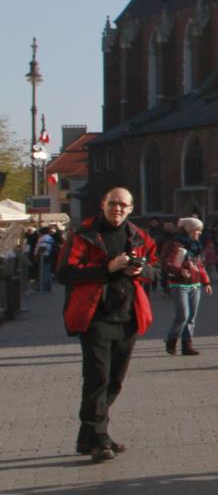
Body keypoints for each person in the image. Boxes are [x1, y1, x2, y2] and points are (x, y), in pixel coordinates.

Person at [57, 187, 158, 462]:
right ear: (103, 205)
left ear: (131, 208)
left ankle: (91, 435)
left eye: (123, 205)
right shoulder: (84, 235)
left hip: (128, 317)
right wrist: (107, 269)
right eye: (113, 203)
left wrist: (141, 270)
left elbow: (155, 269)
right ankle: (98, 438)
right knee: (97, 379)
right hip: (95, 316)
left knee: (114, 380)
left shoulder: (138, 236)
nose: (118, 209)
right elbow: (64, 273)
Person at [159, 215, 212, 356]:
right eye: (197, 230)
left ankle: (187, 345)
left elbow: (199, 265)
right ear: (189, 230)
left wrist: (206, 281)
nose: (199, 233)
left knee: (192, 317)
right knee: (183, 315)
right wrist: (179, 270)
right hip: (179, 284)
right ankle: (172, 339)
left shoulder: (196, 245)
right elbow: (165, 262)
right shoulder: (175, 244)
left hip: (195, 284)